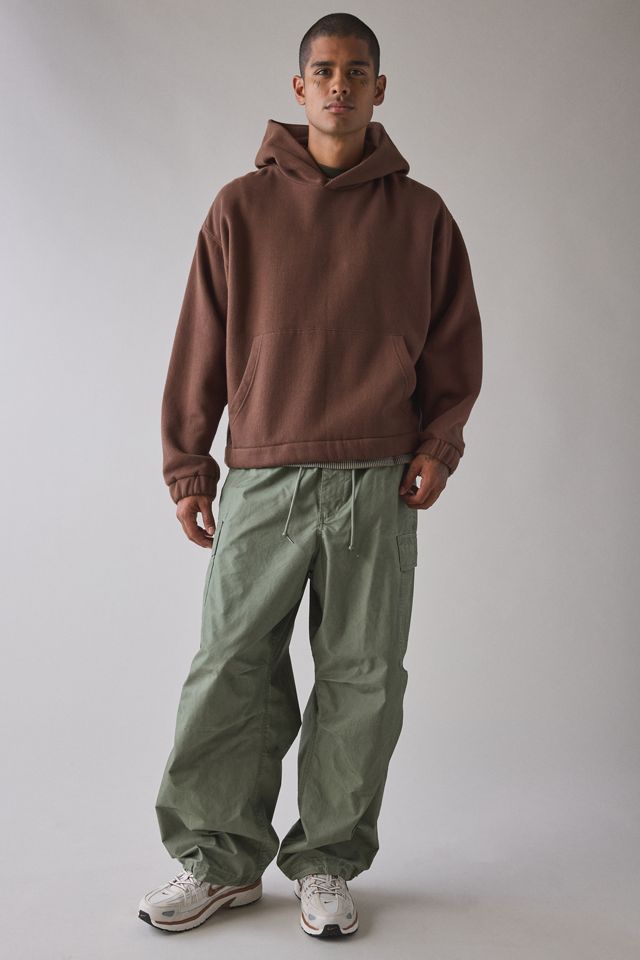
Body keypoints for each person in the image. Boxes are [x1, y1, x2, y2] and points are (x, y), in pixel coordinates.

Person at [138, 11, 483, 939]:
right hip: (263, 476)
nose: (339, 85)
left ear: (379, 88)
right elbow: (200, 341)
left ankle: (327, 860)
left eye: (357, 71)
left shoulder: (421, 215)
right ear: (299, 89)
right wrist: (188, 465)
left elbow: (454, 342)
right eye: (324, 71)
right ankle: (219, 863)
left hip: (378, 477)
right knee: (231, 669)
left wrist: (438, 444)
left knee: (363, 678)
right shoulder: (239, 209)